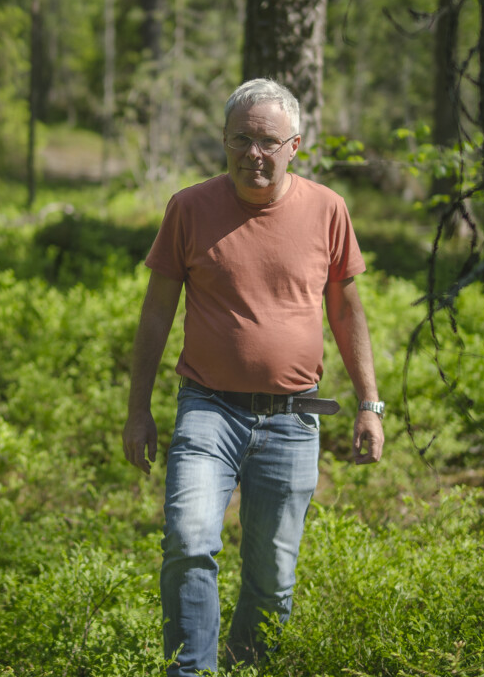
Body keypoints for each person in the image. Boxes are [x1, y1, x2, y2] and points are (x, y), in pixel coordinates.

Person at [122, 78, 385, 675]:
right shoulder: (189, 207)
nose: (253, 154)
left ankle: (243, 666)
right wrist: (139, 409)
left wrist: (370, 403)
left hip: (294, 419)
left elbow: (346, 310)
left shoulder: (327, 209)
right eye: (239, 139)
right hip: (208, 409)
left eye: (267, 141)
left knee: (272, 579)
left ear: (295, 144)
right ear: (223, 141)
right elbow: (157, 310)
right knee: (189, 543)